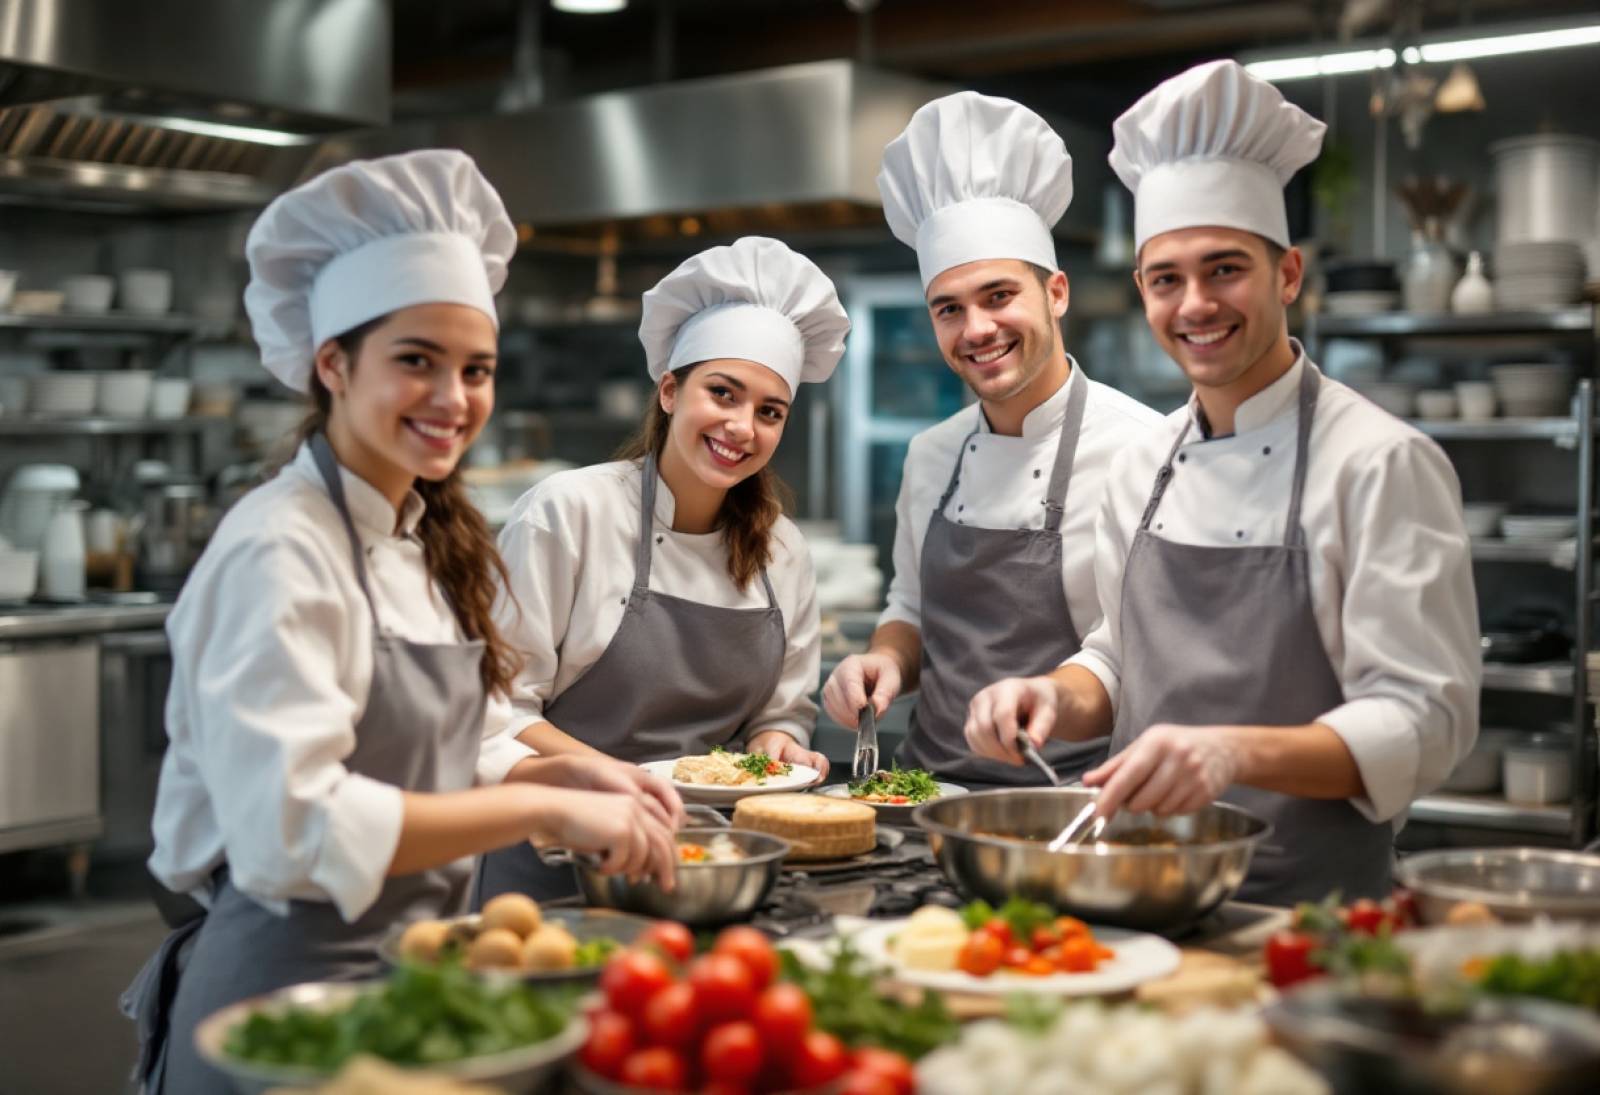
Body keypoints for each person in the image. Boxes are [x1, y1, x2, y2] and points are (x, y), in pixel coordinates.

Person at [121, 151, 682, 1094]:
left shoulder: (422, 537)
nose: (453, 399)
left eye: (476, 369)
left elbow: (431, 747)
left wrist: (559, 768)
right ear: (333, 363)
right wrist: (541, 809)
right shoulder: (278, 548)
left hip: (408, 984)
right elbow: (292, 828)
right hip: (280, 1005)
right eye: (416, 360)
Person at [964, 61, 1480, 904]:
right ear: (1143, 290)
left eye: (1225, 268)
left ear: (1288, 275)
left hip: (1309, 913)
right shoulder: (1142, 465)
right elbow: (1119, 659)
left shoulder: (1380, 462)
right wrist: (1051, 693)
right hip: (1139, 887)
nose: (1196, 304)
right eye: (1167, 278)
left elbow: (1427, 718)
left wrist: (1234, 751)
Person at [474, 236, 847, 904]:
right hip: (556, 856)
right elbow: (500, 708)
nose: (742, 427)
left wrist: (779, 748)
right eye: (723, 393)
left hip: (707, 861)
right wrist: (627, 784)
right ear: (670, 390)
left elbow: (781, 713)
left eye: (769, 411)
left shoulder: (782, 550)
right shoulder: (569, 512)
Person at [820, 91, 1161, 786]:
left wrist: (1046, 700)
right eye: (949, 308)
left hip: (1073, 807)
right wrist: (886, 658)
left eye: (999, 296)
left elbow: (1132, 657)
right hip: (921, 797)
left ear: (1056, 293)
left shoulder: (1143, 451)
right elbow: (910, 608)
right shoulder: (931, 455)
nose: (976, 329)